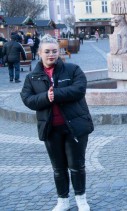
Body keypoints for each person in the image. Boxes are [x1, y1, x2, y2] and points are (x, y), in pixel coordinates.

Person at [20, 34, 93, 211]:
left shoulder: (72, 69)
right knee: (58, 168)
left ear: (59, 51)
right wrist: (46, 97)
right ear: (39, 53)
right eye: (47, 51)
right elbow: (27, 99)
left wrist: (56, 95)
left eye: (54, 51)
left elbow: (79, 89)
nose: (51, 54)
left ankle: (81, 198)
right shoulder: (33, 77)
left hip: (74, 126)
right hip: (51, 128)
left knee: (76, 165)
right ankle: (63, 200)